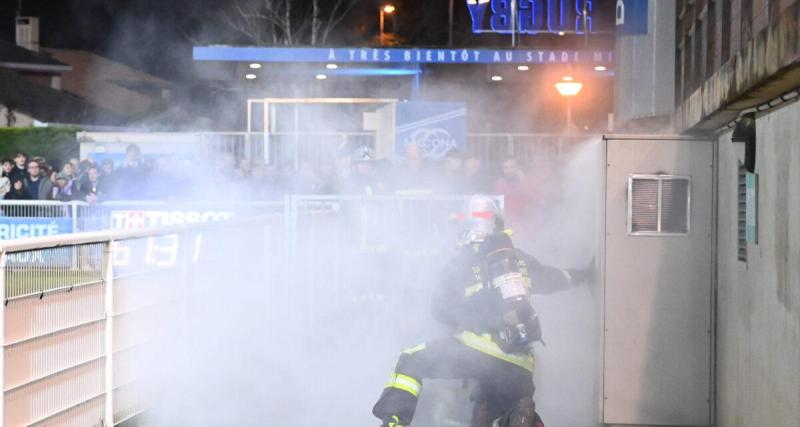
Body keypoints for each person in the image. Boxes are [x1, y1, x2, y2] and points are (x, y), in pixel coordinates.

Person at [372, 195, 592, 427]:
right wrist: (586, 274)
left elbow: (440, 309)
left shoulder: (461, 261)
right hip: (521, 366)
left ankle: (393, 422)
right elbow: (555, 278)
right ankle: (513, 419)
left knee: (410, 359)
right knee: (493, 419)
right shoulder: (518, 259)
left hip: (476, 353)